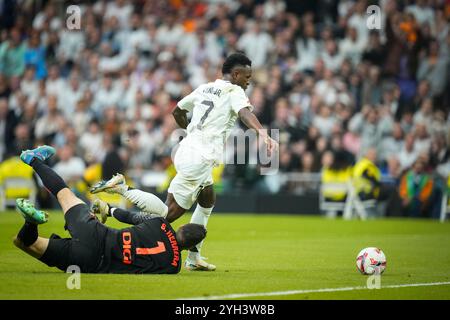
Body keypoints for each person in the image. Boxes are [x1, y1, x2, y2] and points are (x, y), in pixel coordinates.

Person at [90, 52, 278, 271]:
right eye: (247, 76)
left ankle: (194, 257)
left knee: (207, 199)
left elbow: (177, 111)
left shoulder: (205, 88)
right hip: (199, 159)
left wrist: (189, 130)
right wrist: (262, 134)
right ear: (236, 74)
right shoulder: (234, 90)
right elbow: (245, 113)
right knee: (164, 216)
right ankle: (122, 192)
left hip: (186, 150)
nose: (249, 81)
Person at [13, 145, 207, 274]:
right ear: (190, 247)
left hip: (95, 232)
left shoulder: (161, 224)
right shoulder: (173, 266)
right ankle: (30, 223)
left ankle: (34, 160)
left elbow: (130, 216)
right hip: (90, 263)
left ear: (182, 226)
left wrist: (110, 209)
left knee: (64, 194)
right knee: (25, 243)